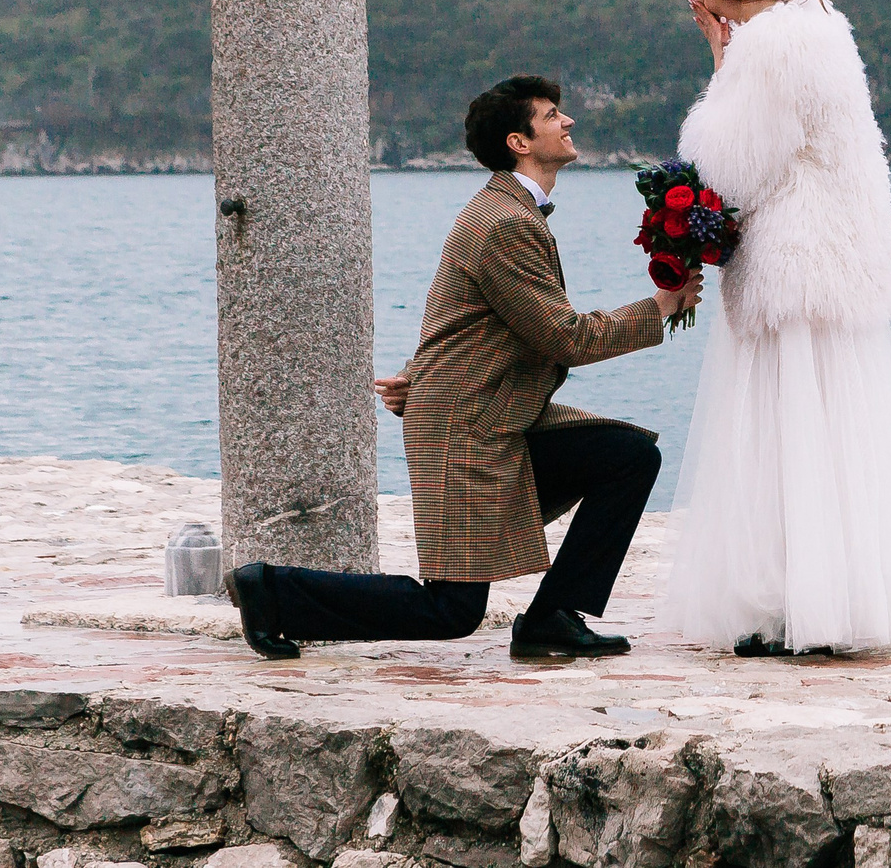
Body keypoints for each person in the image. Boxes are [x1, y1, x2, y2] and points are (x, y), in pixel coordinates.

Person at [224, 75, 698, 660]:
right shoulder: (505, 222)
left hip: (494, 414)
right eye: (553, 115)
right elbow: (563, 336)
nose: (567, 122)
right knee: (451, 611)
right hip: (467, 429)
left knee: (627, 457)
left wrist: (416, 378)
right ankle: (272, 591)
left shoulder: (510, 211)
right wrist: (659, 307)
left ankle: (553, 614)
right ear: (519, 141)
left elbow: (460, 319)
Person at [660, 0, 891, 653]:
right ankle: (836, 601)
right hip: (838, 256)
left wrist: (719, 66)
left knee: (785, 430)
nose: (702, 10)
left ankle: (792, 608)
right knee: (838, 432)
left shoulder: (767, 43)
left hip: (793, 260)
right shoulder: (823, 25)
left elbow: (734, 163)